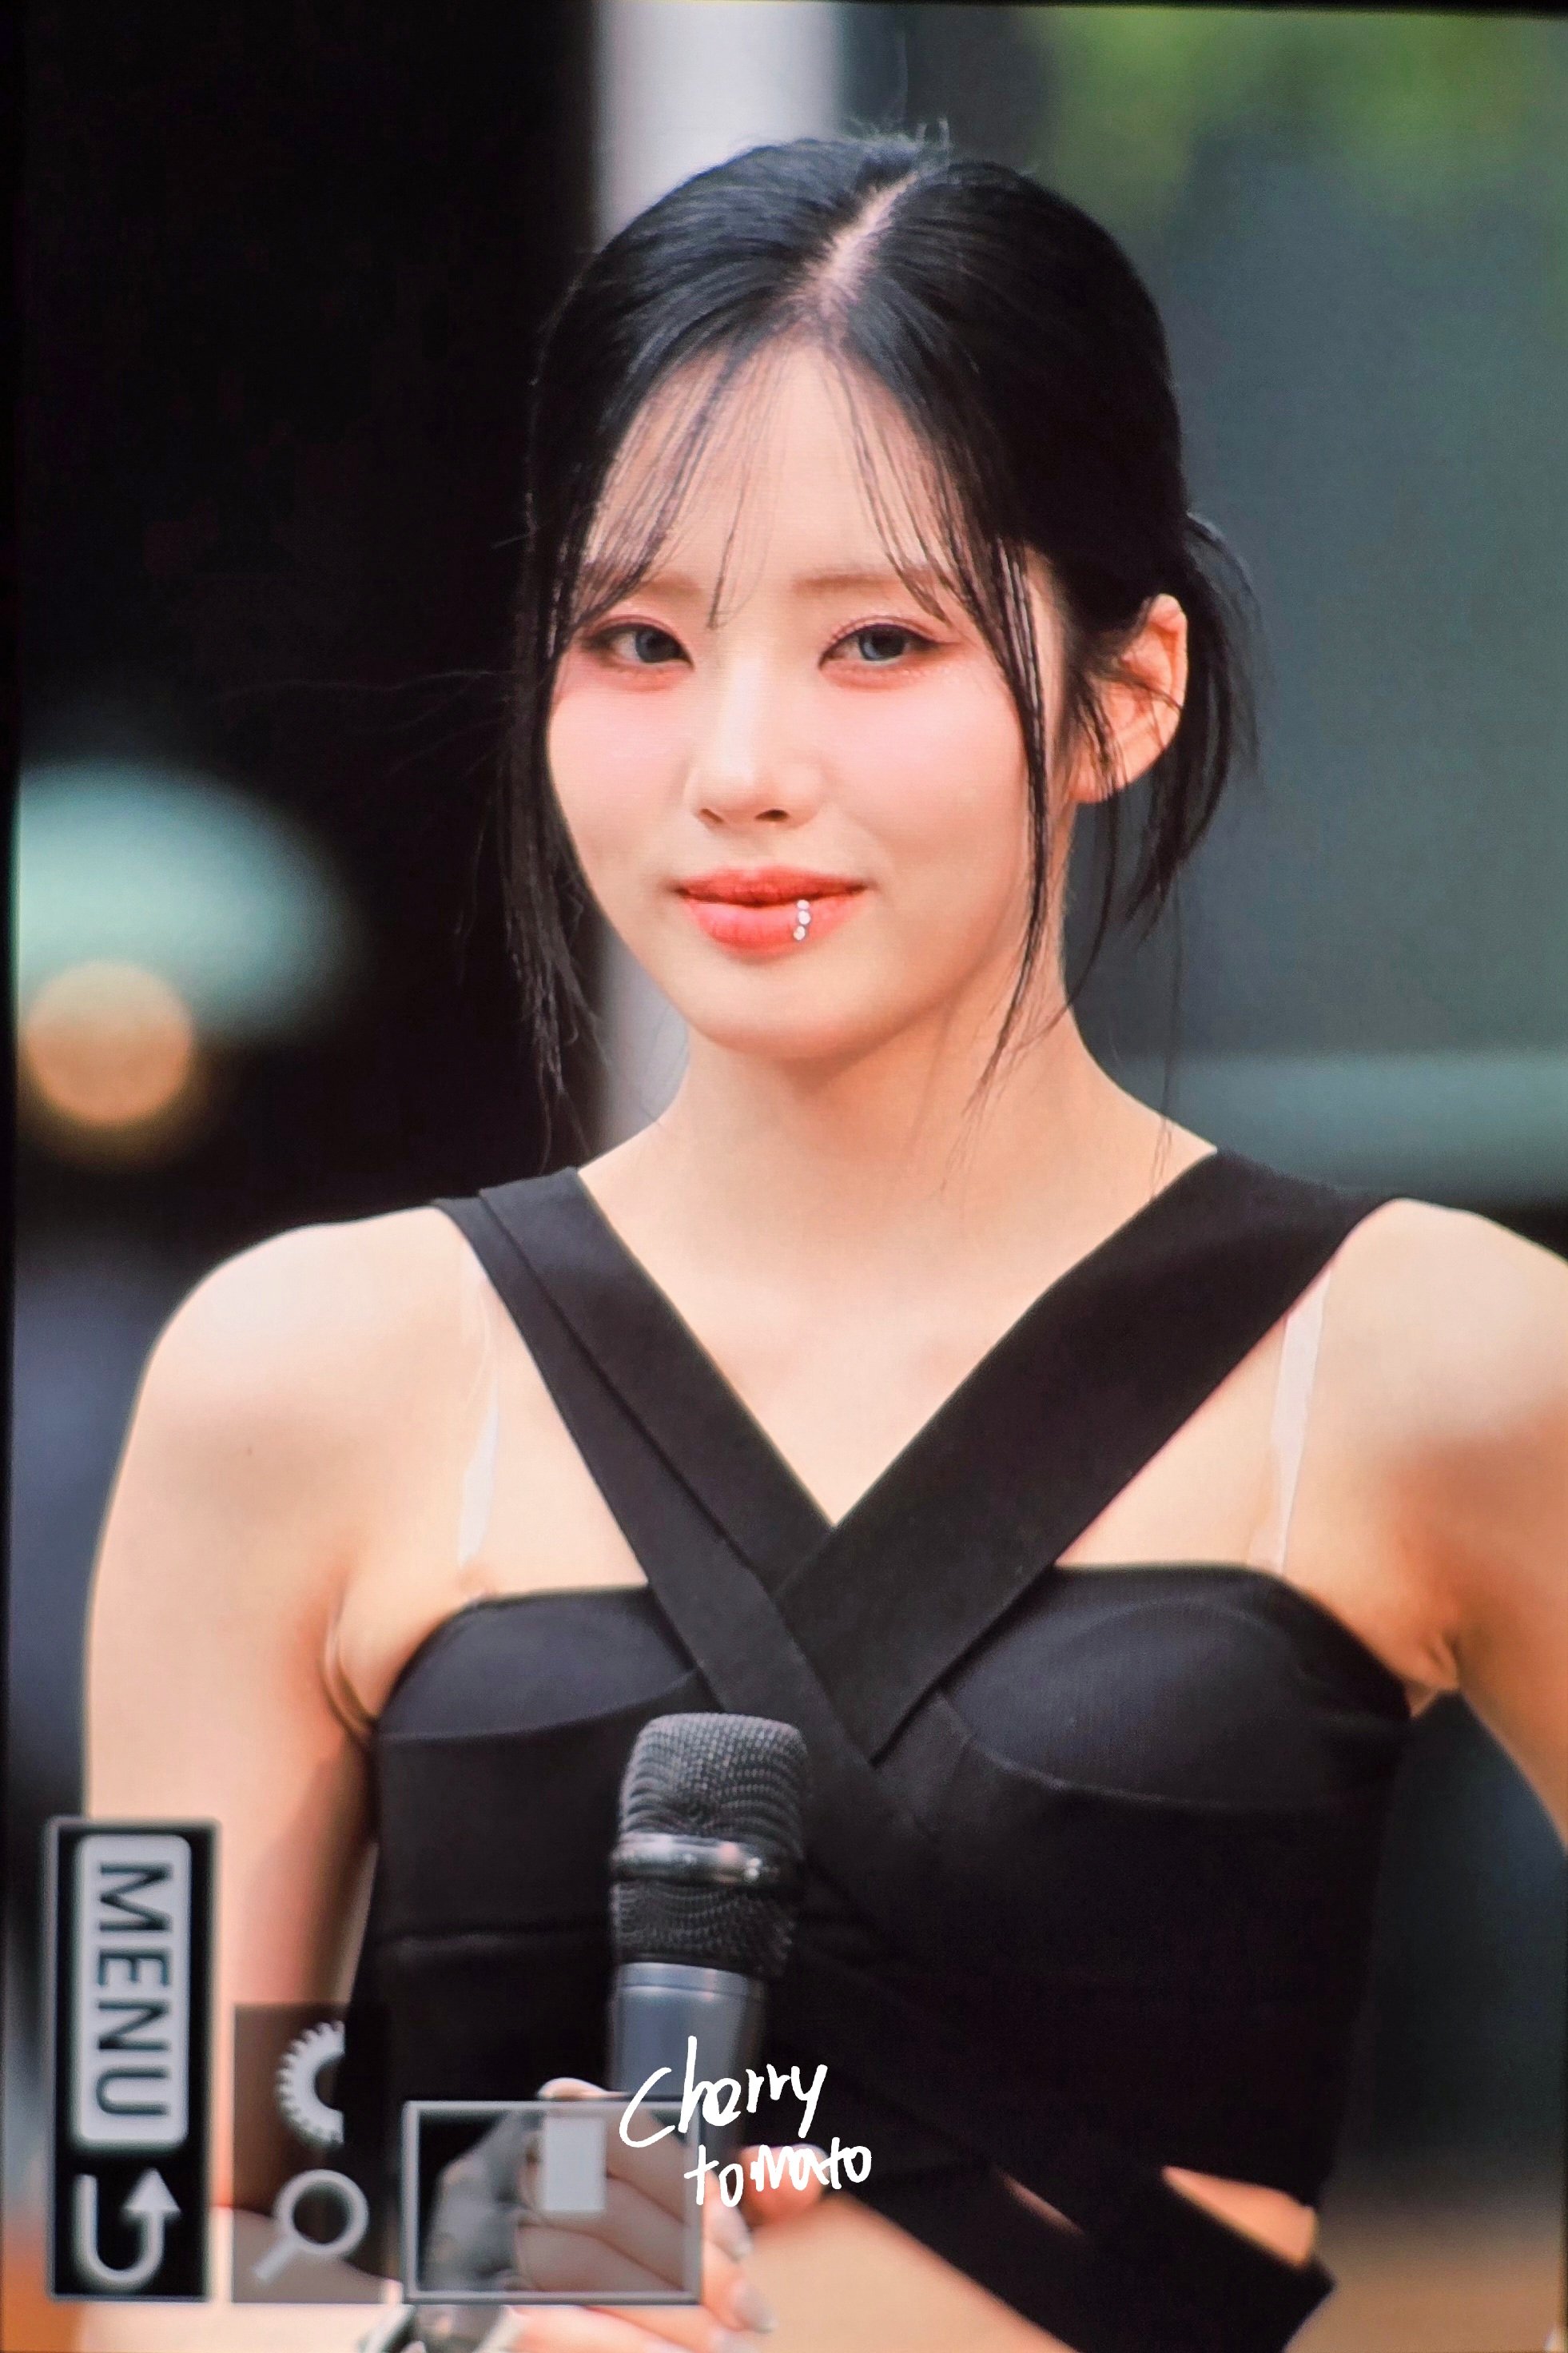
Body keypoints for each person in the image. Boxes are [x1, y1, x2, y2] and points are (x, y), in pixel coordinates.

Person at [85, 135, 1566, 2353]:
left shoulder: (1443, 1355)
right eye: (639, 641)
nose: (739, 765)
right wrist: (440, 2320)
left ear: (1124, 691)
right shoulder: (293, 1376)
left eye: (878, 639)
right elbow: (140, 2234)